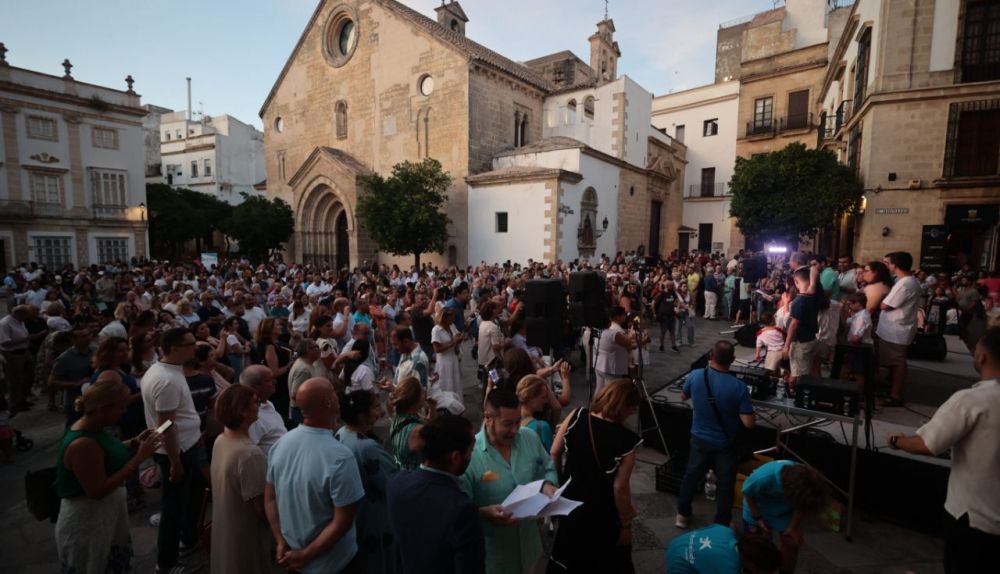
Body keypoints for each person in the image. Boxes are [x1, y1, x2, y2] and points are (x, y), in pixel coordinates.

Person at [886, 326, 1000, 574]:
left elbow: (928, 444)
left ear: (982, 356)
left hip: (973, 518)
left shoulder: (972, 400)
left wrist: (897, 440)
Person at [55, 377, 162, 574]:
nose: (124, 411)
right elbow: (97, 490)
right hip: (88, 520)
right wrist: (139, 458)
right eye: (121, 407)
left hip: (105, 515)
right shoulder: (83, 444)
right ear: (103, 409)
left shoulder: (95, 429)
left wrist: (133, 442)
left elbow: (106, 452)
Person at [265, 377, 365, 574]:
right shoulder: (340, 457)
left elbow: (269, 498)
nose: (338, 398)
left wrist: (281, 541)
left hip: (292, 558)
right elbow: (343, 520)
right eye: (333, 393)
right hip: (333, 564)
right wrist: (305, 555)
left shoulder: (280, 444)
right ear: (328, 402)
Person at [547, 379, 642, 573]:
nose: (632, 413)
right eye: (632, 408)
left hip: (570, 501)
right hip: (601, 509)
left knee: (569, 553)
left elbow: (555, 452)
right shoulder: (626, 441)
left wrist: (559, 483)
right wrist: (625, 524)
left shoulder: (577, 415)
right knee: (603, 559)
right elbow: (620, 488)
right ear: (624, 406)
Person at [459, 390, 558, 574]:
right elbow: (459, 510)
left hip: (530, 550)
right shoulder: (470, 455)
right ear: (488, 418)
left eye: (518, 422)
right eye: (507, 424)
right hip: (494, 560)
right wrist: (483, 514)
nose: (515, 430)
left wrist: (548, 484)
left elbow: (548, 468)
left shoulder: (530, 438)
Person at [140, 327, 205, 574]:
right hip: (178, 452)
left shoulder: (167, 370)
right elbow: (165, 425)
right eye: (190, 344)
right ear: (175, 348)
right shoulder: (166, 380)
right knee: (174, 507)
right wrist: (175, 462)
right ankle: (166, 563)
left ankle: (189, 537)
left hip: (186, 446)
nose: (195, 347)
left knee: (195, 492)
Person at [387, 414, 485, 574]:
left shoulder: (396, 484)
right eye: (471, 450)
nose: (471, 456)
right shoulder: (462, 509)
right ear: (456, 457)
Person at [676, 340, 755, 529]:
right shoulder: (739, 387)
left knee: (691, 477)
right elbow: (749, 423)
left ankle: (682, 515)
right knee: (726, 483)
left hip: (699, 438)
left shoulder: (695, 375)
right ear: (732, 360)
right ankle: (722, 522)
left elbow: (683, 396)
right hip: (725, 444)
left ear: (711, 356)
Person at [335, 390, 401, 574]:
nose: (379, 411)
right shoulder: (367, 447)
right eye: (375, 407)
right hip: (375, 518)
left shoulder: (341, 433)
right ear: (363, 416)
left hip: (355, 514)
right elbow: (392, 483)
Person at [209, 384, 271, 574]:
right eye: (255, 402)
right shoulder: (249, 454)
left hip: (225, 530)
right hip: (244, 534)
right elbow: (261, 506)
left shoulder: (221, 440)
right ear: (243, 411)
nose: (258, 406)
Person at [741, 461, 829, 574]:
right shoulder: (763, 477)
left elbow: (802, 504)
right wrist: (758, 518)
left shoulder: (806, 478)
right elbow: (747, 492)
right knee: (757, 550)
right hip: (757, 509)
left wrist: (793, 527)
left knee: (791, 542)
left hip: (783, 511)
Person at [875, 252, 922, 407]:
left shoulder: (905, 284)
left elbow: (886, 305)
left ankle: (895, 395)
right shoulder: (905, 281)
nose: (885, 266)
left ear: (894, 265)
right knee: (894, 362)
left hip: (896, 331)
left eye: (887, 263)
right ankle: (891, 387)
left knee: (897, 363)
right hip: (895, 329)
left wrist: (879, 298)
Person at [666, 526, 781, 574]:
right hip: (678, 567)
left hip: (677, 543)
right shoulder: (729, 569)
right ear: (753, 565)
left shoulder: (726, 531)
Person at [50, 322, 97, 427]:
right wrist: (76, 383)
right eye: (82, 336)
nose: (87, 338)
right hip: (74, 402)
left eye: (88, 335)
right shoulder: (64, 359)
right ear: (73, 340)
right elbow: (53, 382)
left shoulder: (95, 350)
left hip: (94, 400)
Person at [781, 268, 820, 390]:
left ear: (796, 282)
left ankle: (798, 395)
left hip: (800, 342)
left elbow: (794, 325)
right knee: (806, 369)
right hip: (810, 338)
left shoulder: (799, 301)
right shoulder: (815, 296)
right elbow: (814, 270)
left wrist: (786, 346)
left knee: (798, 374)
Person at [388, 376, 435, 471]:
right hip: (416, 475)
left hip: (401, 472)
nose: (425, 393)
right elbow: (435, 448)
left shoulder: (396, 417)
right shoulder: (417, 430)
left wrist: (432, 410)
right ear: (416, 399)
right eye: (422, 391)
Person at [241, 364, 288, 457]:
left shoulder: (268, 403)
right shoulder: (252, 416)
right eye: (269, 380)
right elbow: (249, 452)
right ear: (255, 387)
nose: (275, 381)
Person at [595, 306, 637, 391]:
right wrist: (631, 336)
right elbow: (628, 344)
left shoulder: (599, 331)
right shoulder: (614, 333)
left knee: (600, 389)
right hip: (611, 367)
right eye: (623, 314)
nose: (625, 316)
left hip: (600, 364)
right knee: (612, 390)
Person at [1, 306, 34, 411]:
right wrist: (25, 339)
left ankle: (22, 399)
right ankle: (15, 403)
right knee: (15, 380)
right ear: (19, 314)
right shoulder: (4, 324)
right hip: (13, 354)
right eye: (26, 316)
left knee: (27, 377)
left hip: (25, 352)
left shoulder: (20, 321)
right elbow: (4, 343)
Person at [516, 375, 556, 451]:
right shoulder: (542, 427)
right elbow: (550, 456)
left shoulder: (509, 422)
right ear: (531, 398)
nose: (546, 401)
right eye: (543, 398)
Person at [433, 307, 465, 398]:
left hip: (453, 358)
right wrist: (452, 342)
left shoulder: (452, 326)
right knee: (447, 384)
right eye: (451, 318)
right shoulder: (436, 330)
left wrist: (460, 338)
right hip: (444, 362)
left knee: (456, 383)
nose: (453, 320)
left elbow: (456, 337)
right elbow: (437, 349)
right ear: (445, 318)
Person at [288, 338, 320, 423]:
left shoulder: (307, 364)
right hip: (302, 413)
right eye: (316, 347)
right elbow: (295, 395)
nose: (319, 349)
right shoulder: (303, 370)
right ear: (307, 350)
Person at [653, 282, 679, 352]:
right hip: (664, 316)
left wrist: (677, 307)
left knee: (672, 331)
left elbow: (676, 301)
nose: (672, 286)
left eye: (672, 285)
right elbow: (653, 303)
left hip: (672, 315)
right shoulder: (662, 294)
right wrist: (654, 313)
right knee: (663, 331)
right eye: (671, 285)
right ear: (667, 286)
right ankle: (661, 345)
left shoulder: (673, 293)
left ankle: (674, 345)